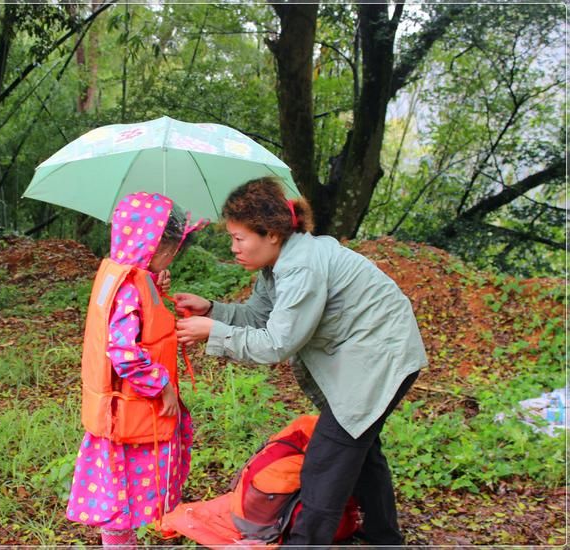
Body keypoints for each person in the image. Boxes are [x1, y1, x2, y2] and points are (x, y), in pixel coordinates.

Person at [175, 177, 428, 545]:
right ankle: (383, 537)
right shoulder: (278, 263)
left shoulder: (301, 268)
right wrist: (213, 310)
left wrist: (212, 331)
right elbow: (260, 317)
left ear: (272, 234)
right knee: (360, 452)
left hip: (379, 358)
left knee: (325, 465)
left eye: (239, 238)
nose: (233, 248)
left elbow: (275, 343)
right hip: (368, 356)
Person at [67, 192, 205, 548]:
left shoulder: (126, 277)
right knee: (119, 499)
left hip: (120, 414)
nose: (173, 256)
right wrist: (163, 387)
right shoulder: (130, 287)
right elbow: (124, 351)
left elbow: (136, 321)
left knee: (120, 494)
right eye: (172, 249)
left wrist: (153, 288)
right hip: (129, 416)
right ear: (156, 247)